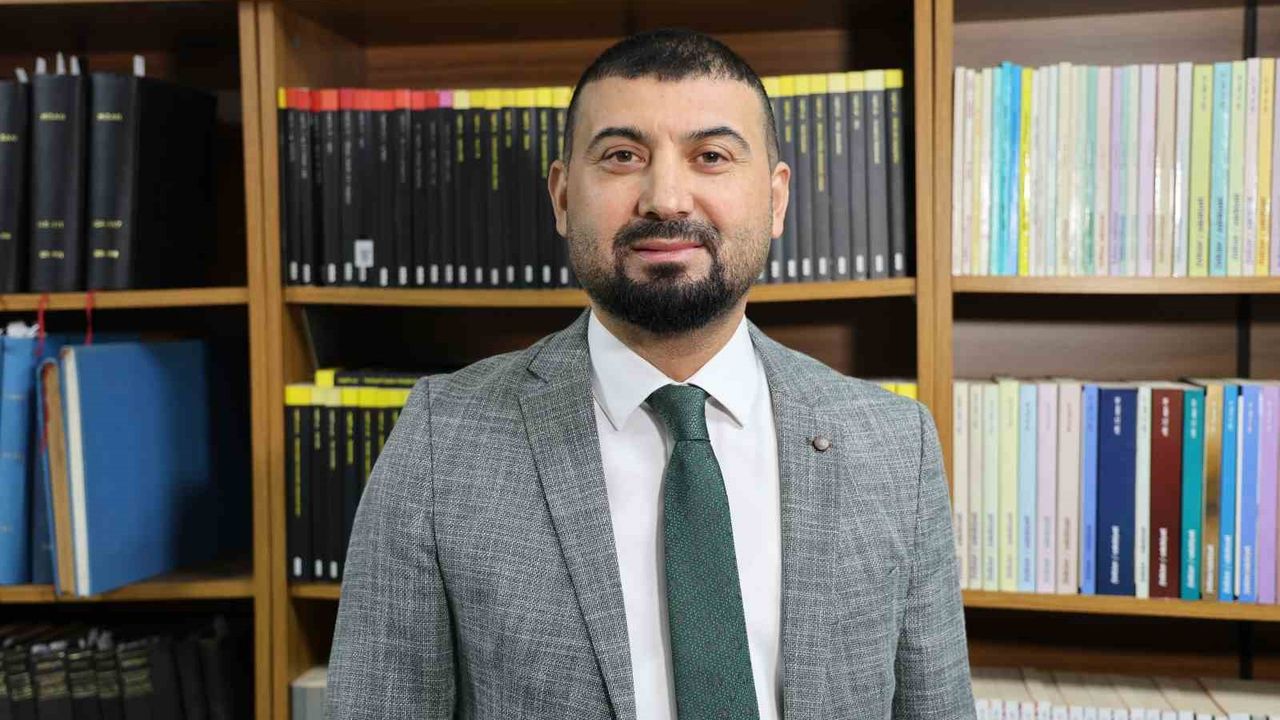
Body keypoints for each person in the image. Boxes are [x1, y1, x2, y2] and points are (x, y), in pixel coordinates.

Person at [326, 28, 973, 720]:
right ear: (562, 197)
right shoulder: (441, 439)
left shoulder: (895, 444)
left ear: (776, 200)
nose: (666, 198)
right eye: (623, 156)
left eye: (711, 156)